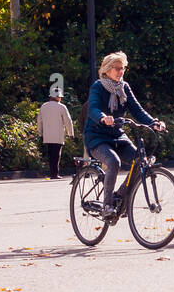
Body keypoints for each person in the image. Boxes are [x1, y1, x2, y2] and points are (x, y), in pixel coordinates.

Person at [82, 52, 166, 216]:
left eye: (123, 69)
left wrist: (153, 123)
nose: (121, 72)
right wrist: (102, 117)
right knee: (113, 162)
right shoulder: (98, 86)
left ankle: (120, 196)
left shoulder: (124, 87)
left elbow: (137, 110)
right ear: (107, 70)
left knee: (141, 161)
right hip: (97, 137)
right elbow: (92, 108)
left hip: (117, 135)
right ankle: (107, 206)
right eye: (117, 69)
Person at [38, 91, 74, 178]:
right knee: (57, 155)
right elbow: (68, 121)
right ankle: (55, 174)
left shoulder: (44, 106)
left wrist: (40, 133)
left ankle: (52, 173)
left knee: (50, 155)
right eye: (60, 97)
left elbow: (39, 121)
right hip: (58, 135)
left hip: (47, 135)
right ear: (57, 97)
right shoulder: (62, 107)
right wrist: (71, 134)